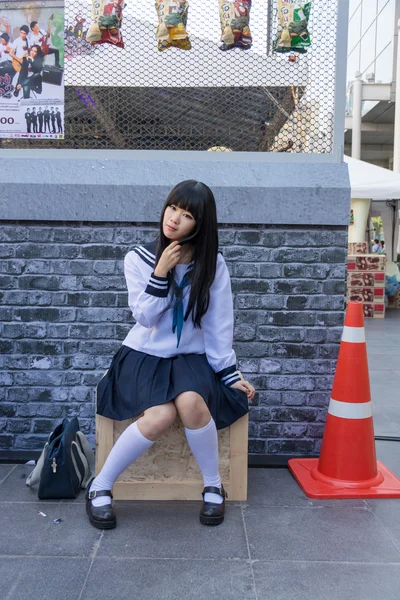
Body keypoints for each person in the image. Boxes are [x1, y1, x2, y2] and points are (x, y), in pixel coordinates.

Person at [86, 180, 255, 530]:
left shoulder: (213, 265)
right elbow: (145, 317)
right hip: (143, 355)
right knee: (160, 415)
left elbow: (219, 326)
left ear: (201, 224)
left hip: (190, 358)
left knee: (193, 402)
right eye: (172, 208)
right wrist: (161, 271)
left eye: (187, 214)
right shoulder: (138, 258)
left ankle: (213, 485)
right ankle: (100, 487)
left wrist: (230, 375)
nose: (174, 219)